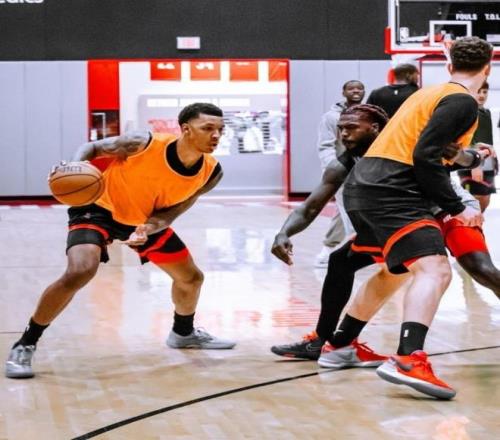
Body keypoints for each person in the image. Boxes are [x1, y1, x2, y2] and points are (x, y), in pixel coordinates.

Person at [5, 102, 236, 379]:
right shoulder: (143, 143)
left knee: (191, 278)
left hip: (141, 220)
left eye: (220, 129)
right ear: (186, 130)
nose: (216, 135)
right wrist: (77, 165)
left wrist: (148, 228)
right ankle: (26, 343)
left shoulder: (211, 172)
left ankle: (183, 333)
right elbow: (92, 148)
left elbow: (173, 211)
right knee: (80, 271)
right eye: (208, 128)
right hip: (99, 209)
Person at [270, 105, 491, 360]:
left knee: (481, 269)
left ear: (375, 128)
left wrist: (475, 156)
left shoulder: (407, 144)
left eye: (351, 128)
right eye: (341, 128)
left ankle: (386, 351)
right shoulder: (346, 162)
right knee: (343, 262)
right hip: (405, 220)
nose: (344, 134)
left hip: (449, 210)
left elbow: (458, 156)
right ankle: (327, 340)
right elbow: (311, 206)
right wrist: (284, 233)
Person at [338, 36, 492, 399]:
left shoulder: (430, 94)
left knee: (396, 272)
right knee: (435, 269)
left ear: (449, 66)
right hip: (393, 189)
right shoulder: (463, 102)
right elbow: (425, 157)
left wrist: (472, 158)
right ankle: (408, 359)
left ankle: (340, 344)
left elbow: (437, 151)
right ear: (487, 69)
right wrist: (457, 207)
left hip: (366, 185)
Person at [315, 80, 365, 267]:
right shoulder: (331, 117)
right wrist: (333, 168)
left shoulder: (368, 114)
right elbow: (325, 146)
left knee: (343, 210)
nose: (356, 91)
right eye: (351, 88)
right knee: (349, 209)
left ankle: (327, 249)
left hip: (364, 171)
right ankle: (355, 252)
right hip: (341, 172)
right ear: (343, 92)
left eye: (359, 88)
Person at [458, 81, 498, 212]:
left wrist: (494, 160)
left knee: (484, 201)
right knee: (473, 201)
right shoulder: (469, 112)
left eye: (484, 92)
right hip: (472, 162)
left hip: (487, 163)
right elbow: (465, 141)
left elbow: (486, 139)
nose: (482, 95)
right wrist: (476, 165)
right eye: (478, 92)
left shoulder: (486, 112)